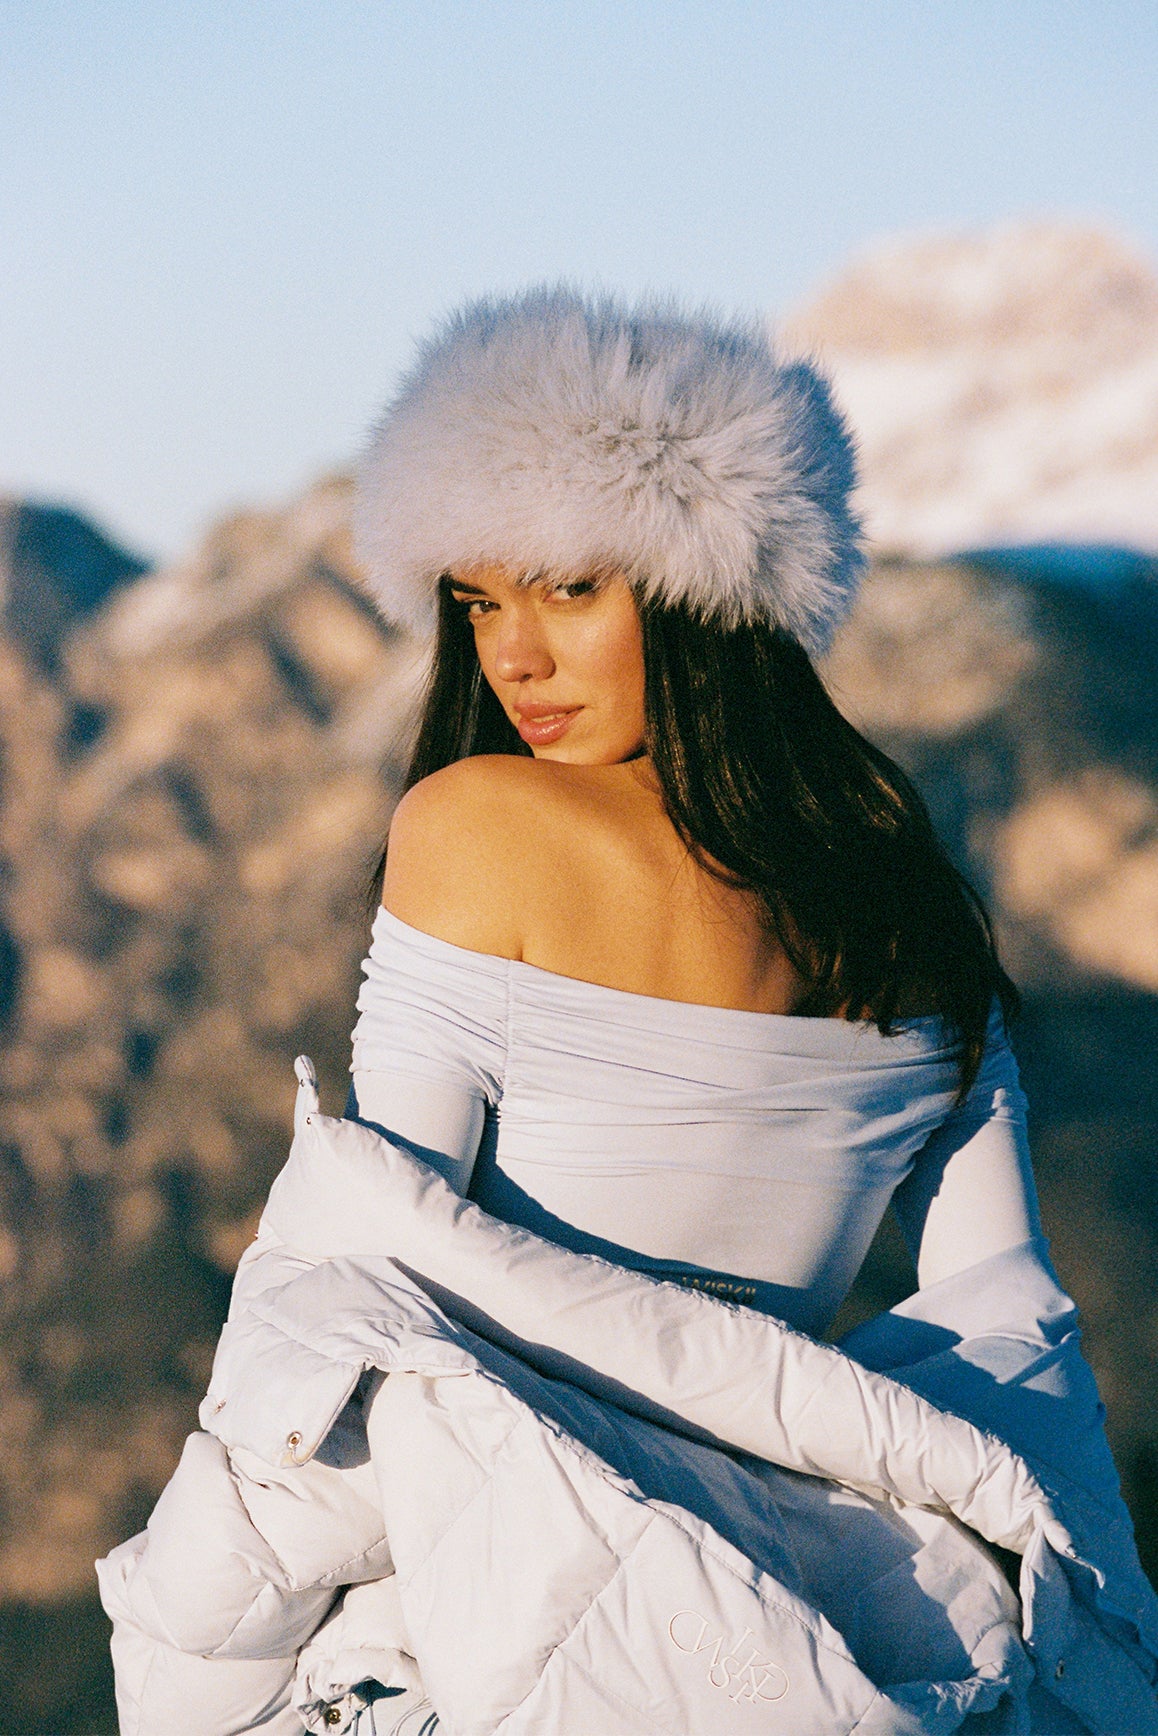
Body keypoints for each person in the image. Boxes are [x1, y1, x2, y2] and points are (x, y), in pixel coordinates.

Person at [98, 289, 1158, 1734]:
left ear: (706, 588)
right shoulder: (908, 911)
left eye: (567, 588)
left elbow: (366, 1294)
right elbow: (1008, 1330)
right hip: (816, 1636)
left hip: (482, 1626)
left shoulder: (477, 826)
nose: (511, 655)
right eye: (476, 600)